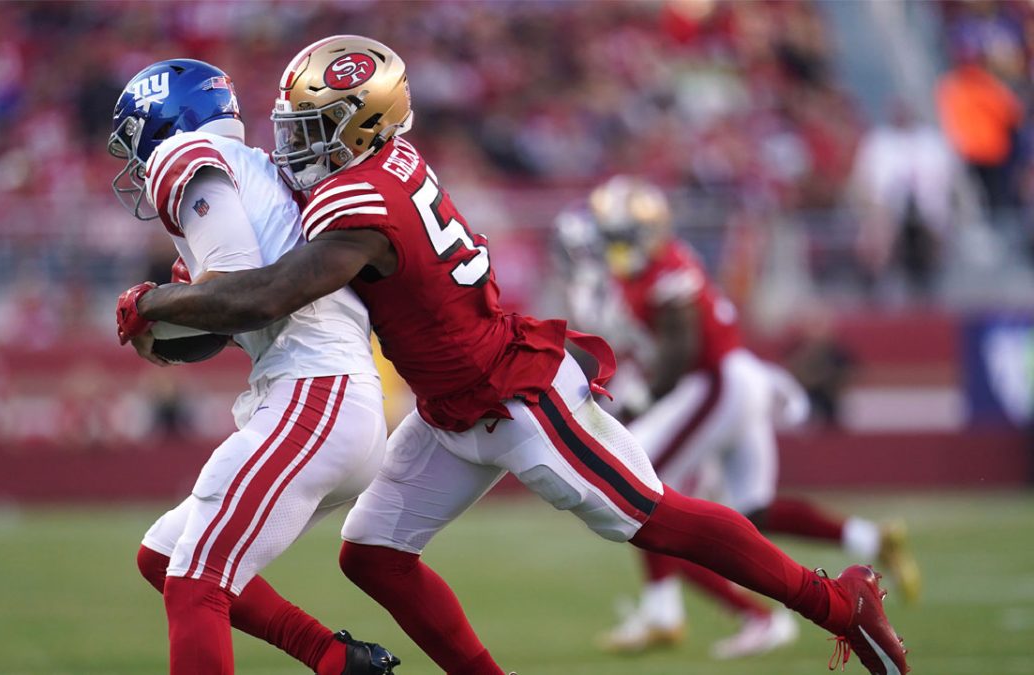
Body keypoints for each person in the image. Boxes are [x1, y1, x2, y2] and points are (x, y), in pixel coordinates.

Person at [118, 37, 909, 675]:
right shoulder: (377, 166)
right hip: (447, 401)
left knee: (650, 516)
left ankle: (838, 601)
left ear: (362, 126)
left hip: (513, 391)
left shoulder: (359, 200)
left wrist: (155, 302)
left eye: (312, 128)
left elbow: (269, 293)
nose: (292, 143)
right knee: (373, 556)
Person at [107, 58, 399, 675]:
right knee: (164, 558)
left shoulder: (183, 155)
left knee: (196, 580)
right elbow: (232, 306)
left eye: (133, 142)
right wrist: (178, 313)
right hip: (335, 398)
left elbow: (237, 288)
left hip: (313, 393)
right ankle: (333, 658)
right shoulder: (258, 173)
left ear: (162, 122)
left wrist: (148, 304)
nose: (135, 163)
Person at [571, 176, 920, 659]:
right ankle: (863, 541)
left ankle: (665, 610)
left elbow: (681, 350)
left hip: (721, 382)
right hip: (730, 379)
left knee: (643, 493)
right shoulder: (646, 272)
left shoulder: (664, 271)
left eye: (617, 236)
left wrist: (637, 402)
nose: (614, 246)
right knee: (750, 511)